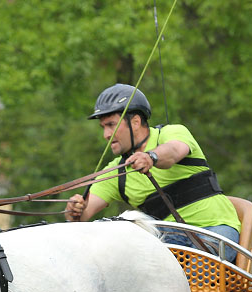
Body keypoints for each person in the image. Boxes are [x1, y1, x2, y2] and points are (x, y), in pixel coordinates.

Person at [65, 83, 240, 262]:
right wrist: (74, 211)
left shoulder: (171, 133)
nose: (106, 134)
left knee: (194, 277)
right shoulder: (116, 171)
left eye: (111, 125)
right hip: (166, 243)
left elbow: (173, 151)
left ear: (135, 122)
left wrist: (151, 157)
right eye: (103, 127)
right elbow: (83, 215)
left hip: (214, 230)